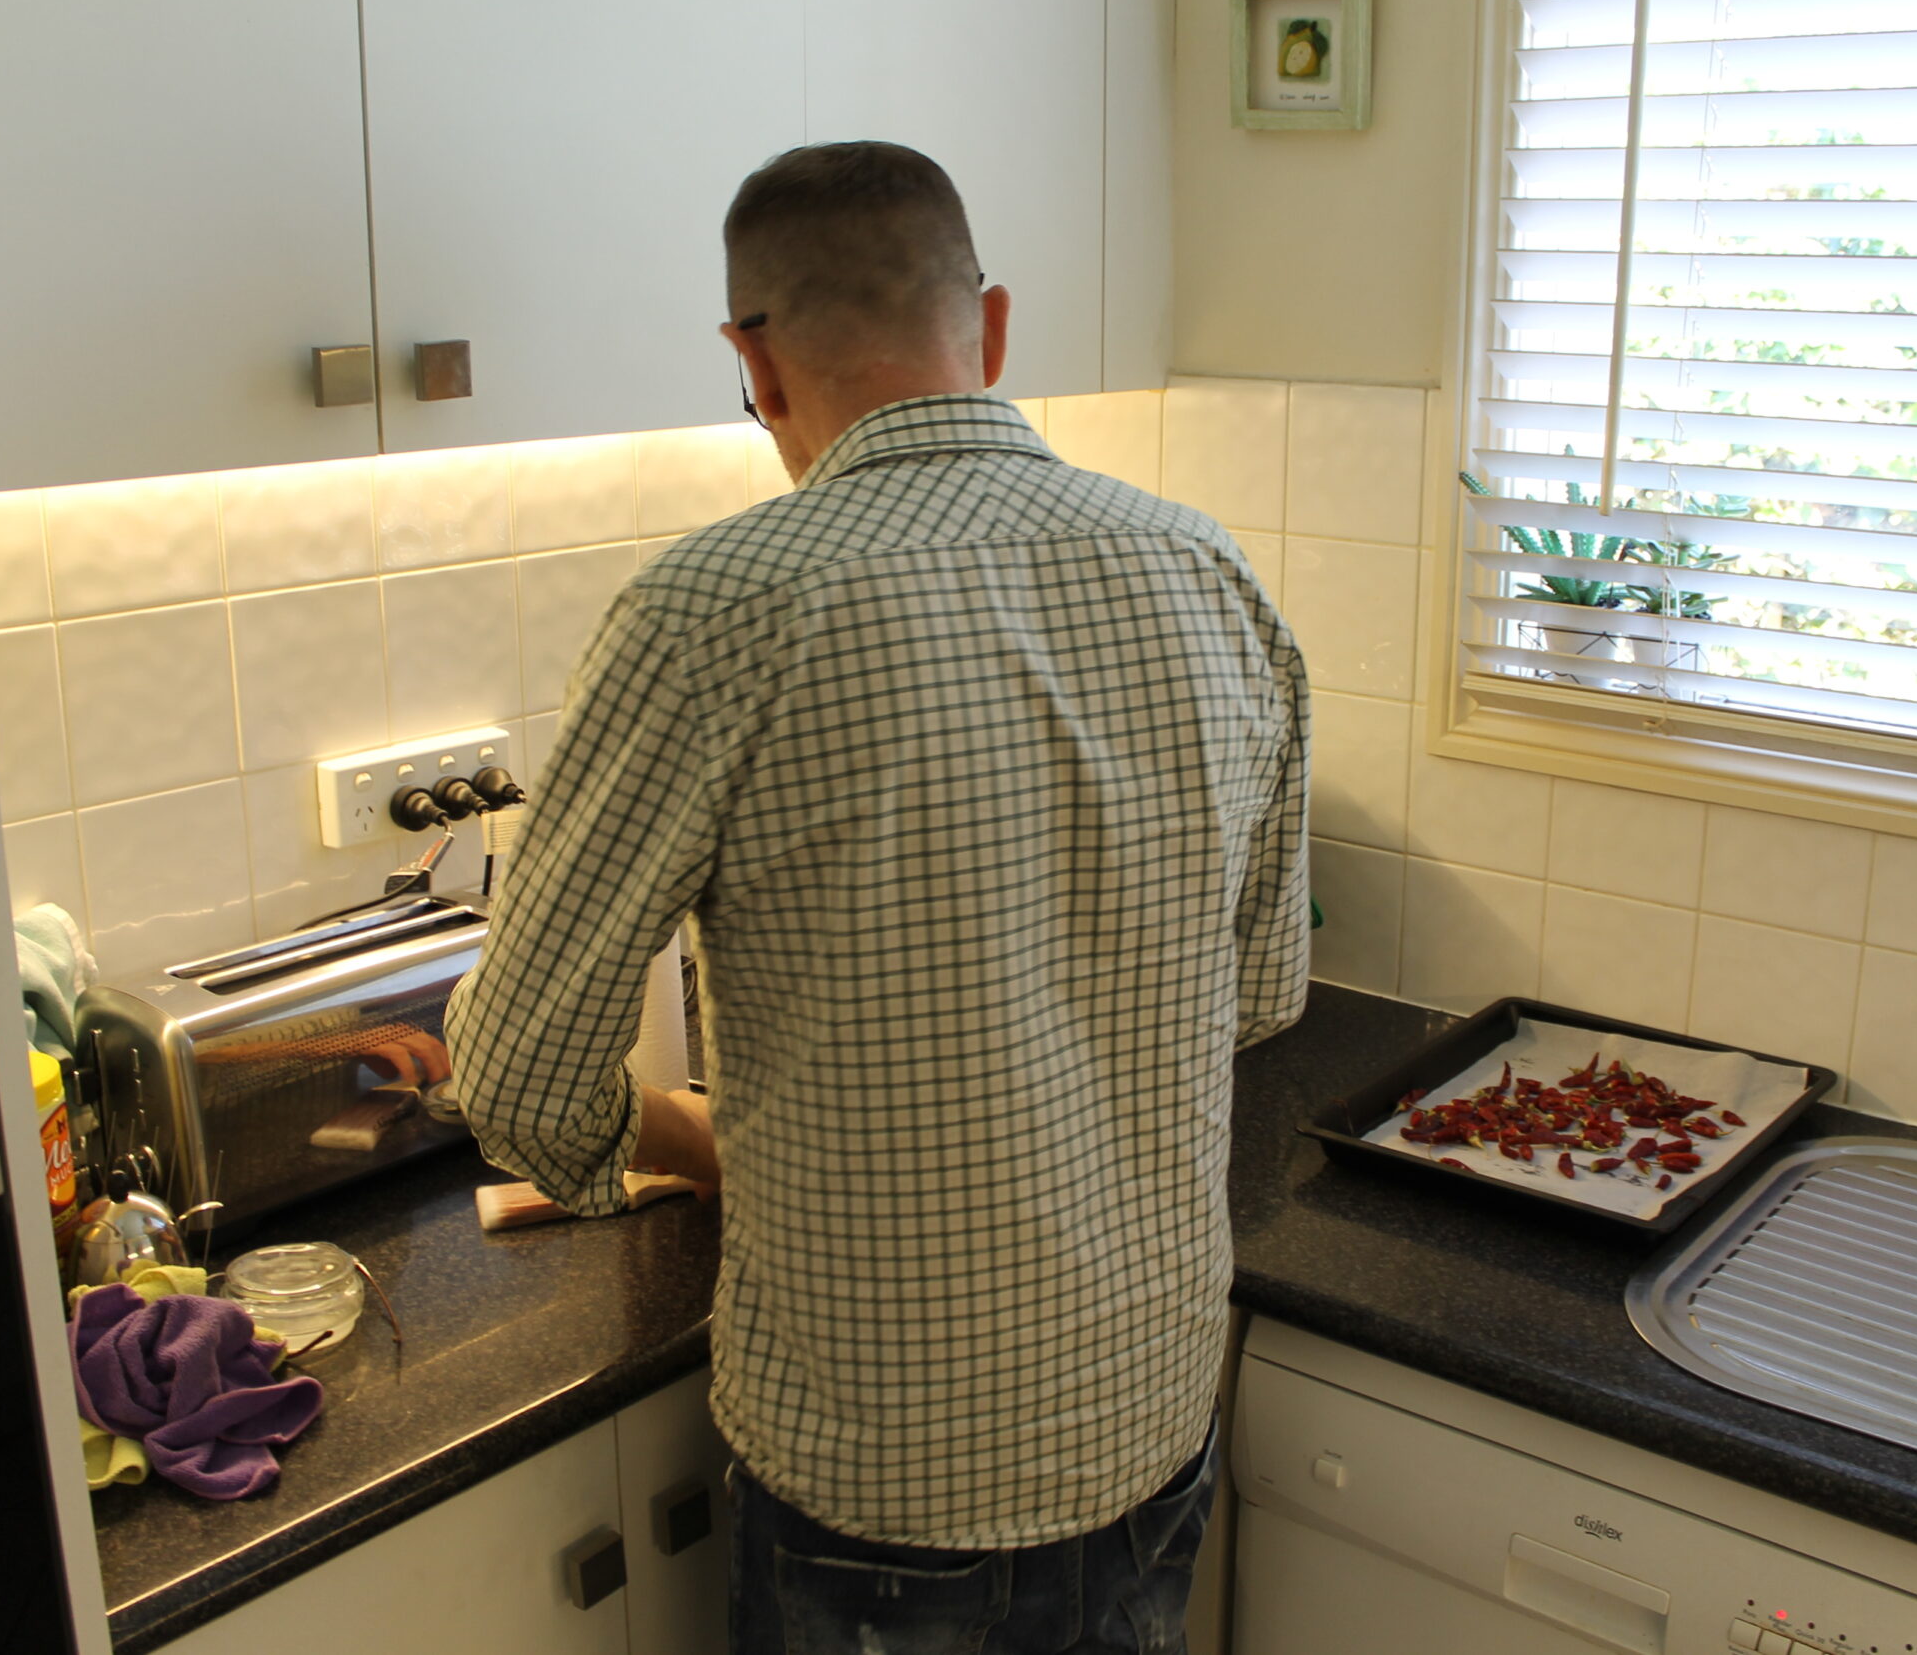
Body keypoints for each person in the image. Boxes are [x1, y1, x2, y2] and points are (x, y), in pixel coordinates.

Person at [447, 140, 1309, 1654]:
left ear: (753, 364)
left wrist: (680, 1138)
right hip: (1155, 1420)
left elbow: (515, 1079)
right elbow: (1256, 999)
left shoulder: (714, 613)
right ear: (991, 328)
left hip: (888, 1485)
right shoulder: (1211, 573)